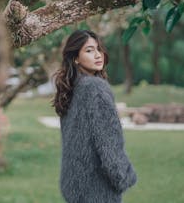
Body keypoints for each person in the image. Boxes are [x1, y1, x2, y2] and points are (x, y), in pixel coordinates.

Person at [52, 29, 137, 203]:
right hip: (98, 189)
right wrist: (123, 176)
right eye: (89, 50)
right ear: (76, 57)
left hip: (74, 186)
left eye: (98, 49)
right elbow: (109, 143)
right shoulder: (96, 88)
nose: (98, 55)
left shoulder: (70, 89)